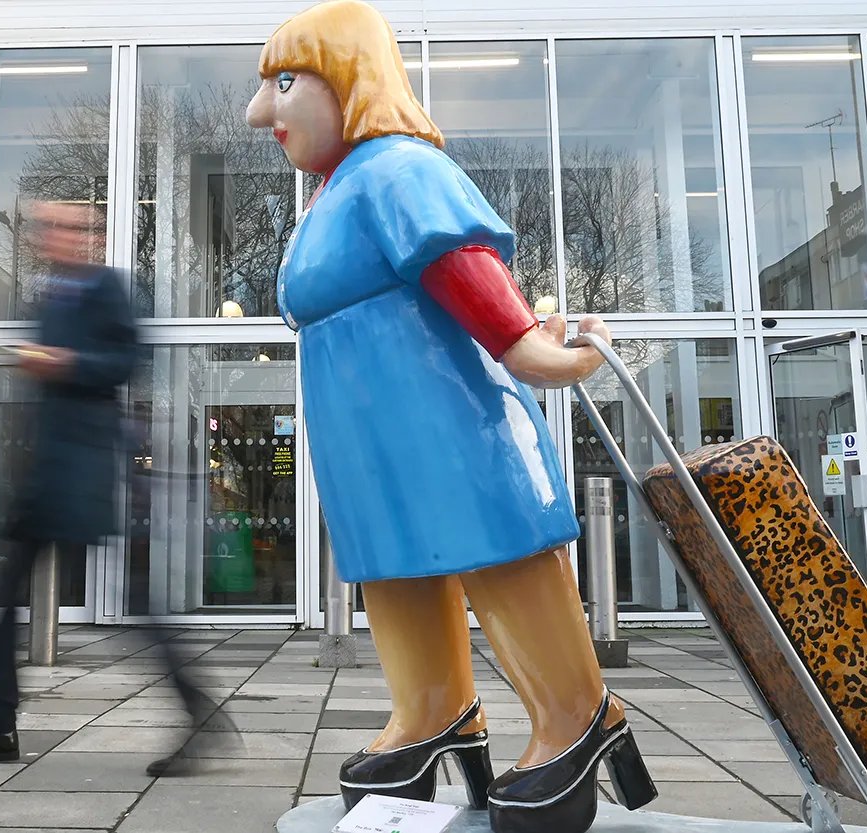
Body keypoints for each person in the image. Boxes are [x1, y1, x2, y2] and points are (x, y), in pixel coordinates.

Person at [244, 3, 656, 831]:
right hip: (369, 435)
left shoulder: (400, 168)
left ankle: (578, 711)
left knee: (493, 551)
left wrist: (542, 355)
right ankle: (435, 711)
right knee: (395, 565)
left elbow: (469, 275)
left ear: (347, 78)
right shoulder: (332, 193)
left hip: (450, 415)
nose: (261, 112)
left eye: (285, 82)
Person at [0, 202, 226, 773]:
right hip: (47, 471)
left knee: (136, 601)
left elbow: (126, 360)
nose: (53, 237)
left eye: (67, 227)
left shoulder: (108, 289)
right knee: (6, 597)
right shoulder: (47, 296)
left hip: (87, 469)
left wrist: (67, 360)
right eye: (47, 227)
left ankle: (197, 713)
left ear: (89, 238)